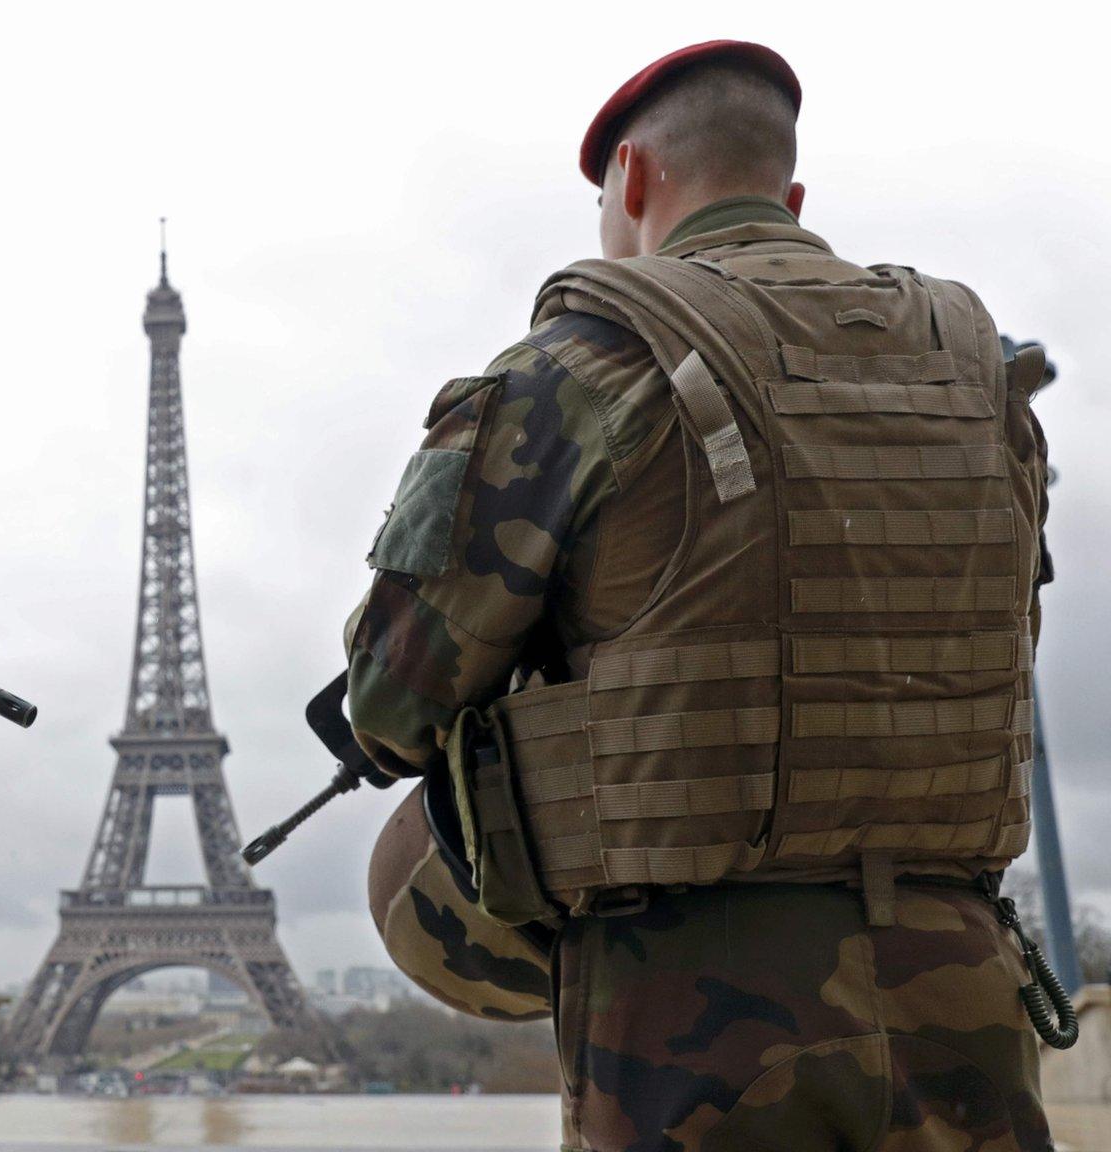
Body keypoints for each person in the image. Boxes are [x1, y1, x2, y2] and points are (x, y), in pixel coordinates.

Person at [348, 41, 1053, 1152]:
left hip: (694, 1007)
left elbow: (390, 700)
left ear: (629, 181)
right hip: (959, 978)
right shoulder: (979, 379)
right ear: (791, 195)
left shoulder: (574, 368)